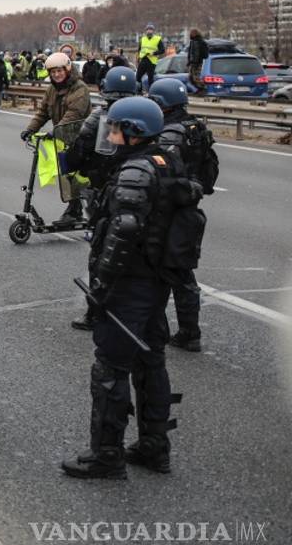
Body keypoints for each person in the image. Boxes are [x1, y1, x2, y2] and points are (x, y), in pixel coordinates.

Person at [61, 96, 196, 479]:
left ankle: (106, 454)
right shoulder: (166, 161)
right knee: (151, 359)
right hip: (156, 281)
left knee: (110, 366)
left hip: (130, 283)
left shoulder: (135, 172)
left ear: (135, 132)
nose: (112, 135)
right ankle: (154, 445)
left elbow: (123, 233)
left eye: (117, 129)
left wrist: (102, 284)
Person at [65, 66, 138, 331]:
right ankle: (146, 318)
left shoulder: (98, 119)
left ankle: (95, 313)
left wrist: (75, 164)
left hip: (105, 194)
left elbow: (76, 156)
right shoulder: (149, 119)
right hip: (142, 196)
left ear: (103, 89)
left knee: (100, 254)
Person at [150, 78, 217, 352]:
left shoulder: (170, 134)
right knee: (183, 273)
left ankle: (165, 332)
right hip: (190, 207)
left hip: (170, 210)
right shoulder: (196, 128)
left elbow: (162, 175)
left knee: (160, 271)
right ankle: (189, 332)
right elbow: (209, 173)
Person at [20, 52, 92, 224]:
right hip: (63, 138)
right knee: (66, 174)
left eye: (59, 71)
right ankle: (74, 210)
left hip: (80, 137)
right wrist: (30, 129)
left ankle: (86, 210)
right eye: (52, 72)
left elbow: (74, 114)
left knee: (79, 176)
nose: (56, 75)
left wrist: (57, 129)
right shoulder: (52, 90)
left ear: (67, 69)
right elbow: (43, 112)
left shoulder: (80, 88)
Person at [136, 23, 163, 90]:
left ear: (153, 31)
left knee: (150, 78)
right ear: (146, 31)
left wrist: (154, 53)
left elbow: (162, 50)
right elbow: (139, 50)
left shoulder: (157, 39)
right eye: (148, 29)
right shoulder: (142, 39)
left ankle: (151, 92)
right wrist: (138, 58)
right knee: (138, 77)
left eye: (151, 30)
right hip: (143, 59)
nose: (149, 31)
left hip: (151, 61)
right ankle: (139, 91)